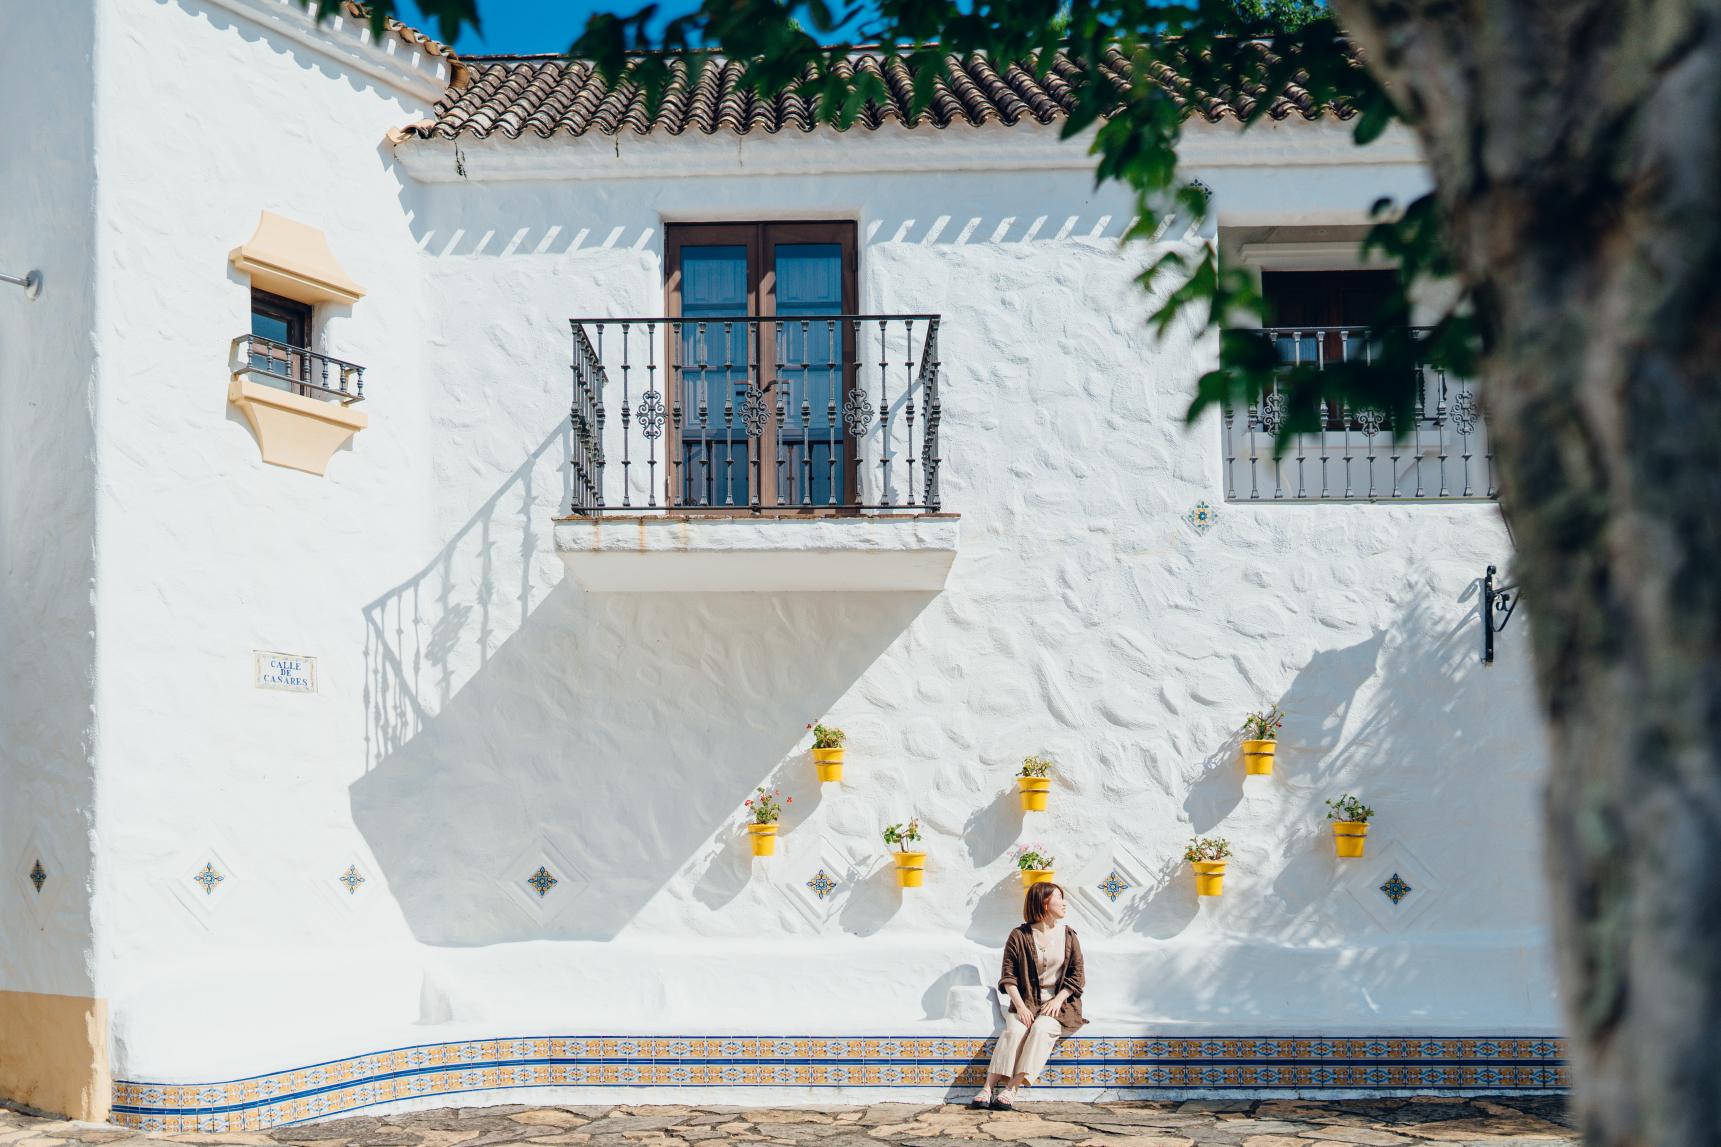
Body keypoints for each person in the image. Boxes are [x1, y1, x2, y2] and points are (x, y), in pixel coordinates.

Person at [971, 881, 1086, 1110]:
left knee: (1041, 1030)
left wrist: (1058, 999)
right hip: (1025, 1002)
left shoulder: (1069, 935)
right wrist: (1021, 1007)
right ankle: (987, 1088)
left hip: (1059, 1005)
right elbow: (1008, 976)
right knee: (1014, 1031)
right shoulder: (1019, 935)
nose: (1064, 903)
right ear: (1044, 903)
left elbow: (1077, 975)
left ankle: (1012, 1088)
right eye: (1059, 898)